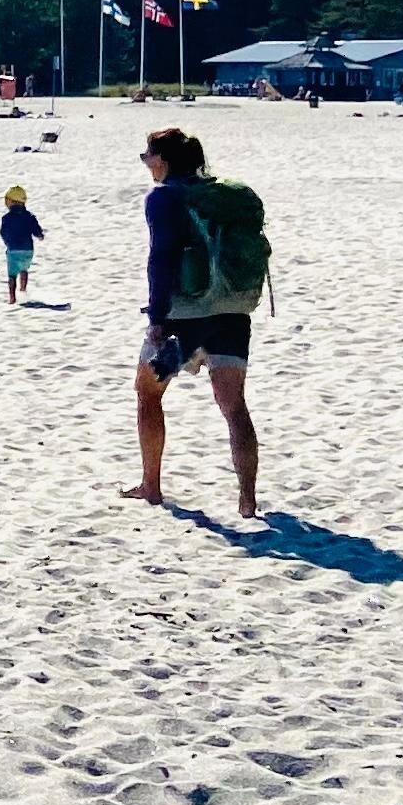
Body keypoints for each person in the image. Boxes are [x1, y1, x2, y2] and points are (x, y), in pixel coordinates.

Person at [124, 127, 260, 522]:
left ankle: (151, 486)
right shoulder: (222, 195)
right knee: (234, 406)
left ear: (163, 160)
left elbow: (161, 258)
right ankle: (247, 501)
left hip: (183, 322)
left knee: (148, 392)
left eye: (147, 155)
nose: (146, 162)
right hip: (232, 313)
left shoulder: (163, 197)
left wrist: (156, 318)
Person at [0, 184, 42, 306]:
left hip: (13, 250)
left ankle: (12, 298)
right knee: (24, 269)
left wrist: (7, 242)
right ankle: (23, 290)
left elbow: (3, 232)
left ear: (11, 201)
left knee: (12, 275)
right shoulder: (29, 216)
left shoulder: (6, 218)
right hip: (28, 249)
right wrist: (40, 235)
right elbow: (37, 231)